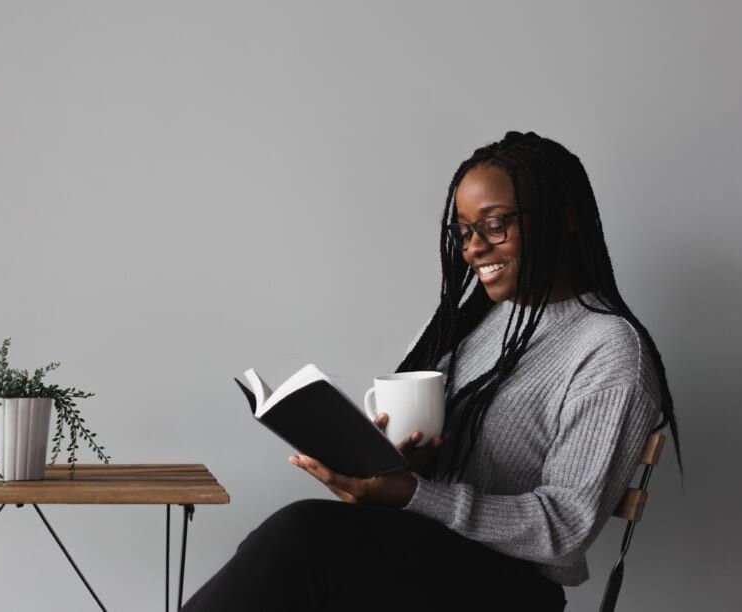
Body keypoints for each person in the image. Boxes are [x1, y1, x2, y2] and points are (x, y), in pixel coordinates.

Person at [181, 130, 682, 611]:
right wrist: (390, 473)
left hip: (507, 590)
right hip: (428, 557)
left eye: (494, 224)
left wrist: (416, 495)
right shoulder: (474, 321)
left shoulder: (610, 350)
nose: (472, 249)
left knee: (301, 539)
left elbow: (564, 528)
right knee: (283, 553)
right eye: (463, 231)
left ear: (563, 216)